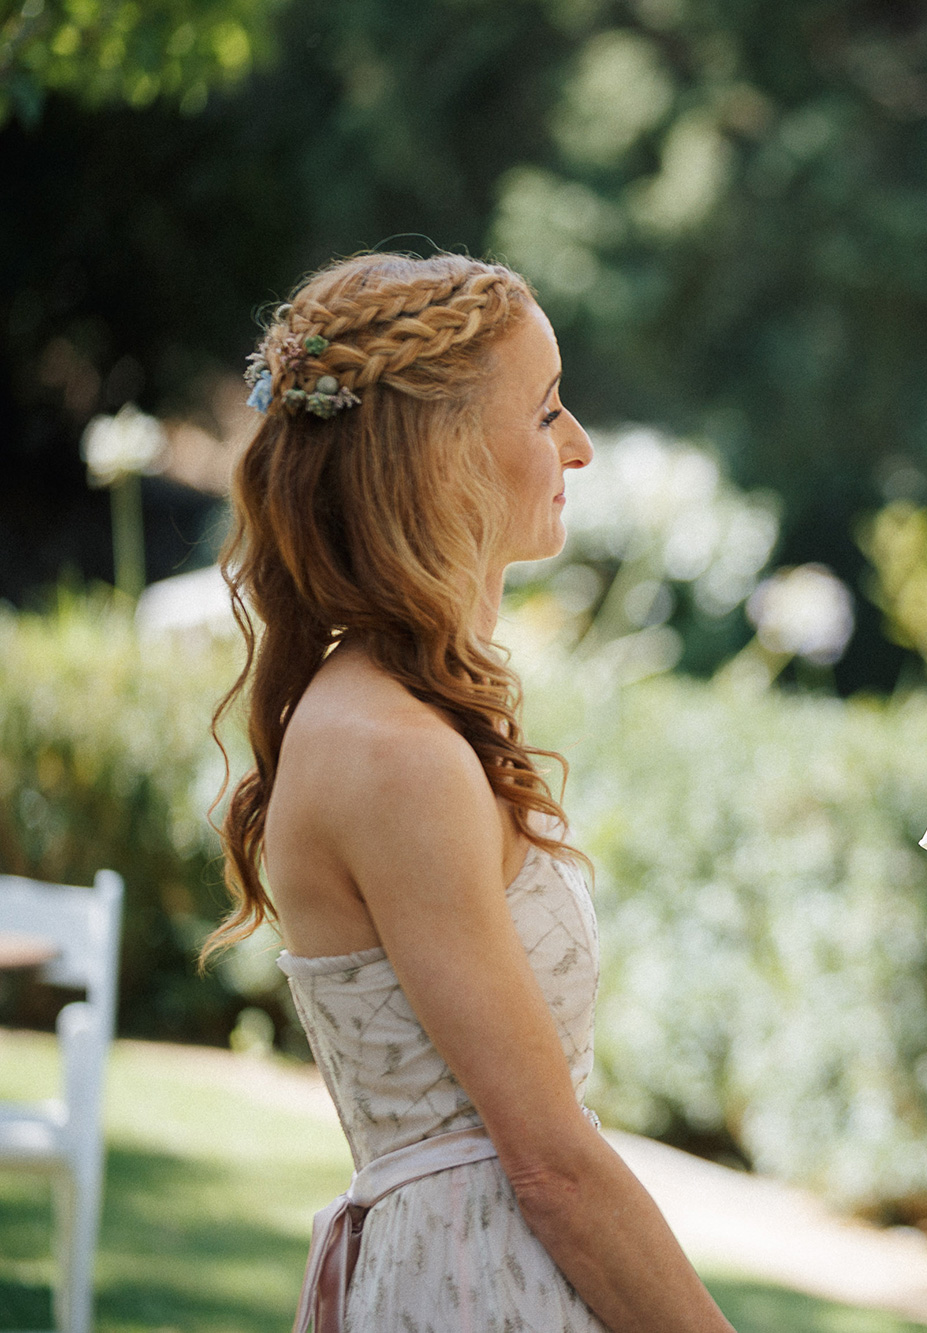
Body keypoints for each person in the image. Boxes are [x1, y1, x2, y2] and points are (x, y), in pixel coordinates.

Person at [204, 252, 735, 1332]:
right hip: (475, 1288)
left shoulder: (390, 718)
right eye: (544, 413)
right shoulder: (392, 752)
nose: (577, 445)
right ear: (443, 459)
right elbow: (550, 1166)